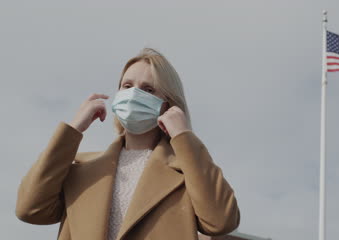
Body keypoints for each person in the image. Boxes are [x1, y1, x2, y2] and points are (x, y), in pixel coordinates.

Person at [15, 48, 241, 240]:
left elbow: (221, 221)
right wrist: (73, 130)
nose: (133, 94)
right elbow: (29, 209)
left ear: (168, 105)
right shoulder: (81, 170)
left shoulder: (188, 174)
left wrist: (183, 136)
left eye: (148, 89)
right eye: (127, 85)